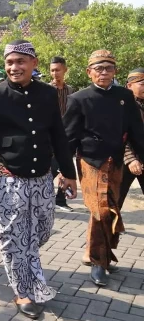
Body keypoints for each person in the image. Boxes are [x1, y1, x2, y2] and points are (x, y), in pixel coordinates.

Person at [0, 40, 77, 319]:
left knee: (41, 229)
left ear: (34, 63)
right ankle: (23, 290)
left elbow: (58, 134)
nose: (14, 67)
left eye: (20, 61)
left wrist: (69, 173)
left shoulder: (47, 93)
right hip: (9, 179)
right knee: (15, 236)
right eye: (9, 62)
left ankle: (23, 263)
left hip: (43, 176)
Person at [64, 50, 144, 287]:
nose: (104, 72)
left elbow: (137, 131)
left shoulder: (124, 97)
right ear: (89, 72)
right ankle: (100, 263)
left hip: (116, 161)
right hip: (91, 161)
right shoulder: (78, 99)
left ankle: (95, 252)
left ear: (115, 72)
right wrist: (64, 171)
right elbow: (68, 137)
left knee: (111, 208)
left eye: (108, 68)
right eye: (98, 68)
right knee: (101, 209)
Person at [49, 56, 76, 212]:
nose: (55, 74)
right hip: (50, 136)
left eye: (58, 70)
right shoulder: (45, 90)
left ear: (65, 70)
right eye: (52, 70)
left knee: (65, 167)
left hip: (68, 136)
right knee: (51, 168)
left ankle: (60, 199)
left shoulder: (71, 91)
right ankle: (44, 196)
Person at [120, 68, 144, 209]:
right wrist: (131, 159)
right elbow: (118, 135)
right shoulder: (121, 105)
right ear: (129, 85)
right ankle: (110, 231)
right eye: (142, 83)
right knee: (113, 204)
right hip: (125, 162)